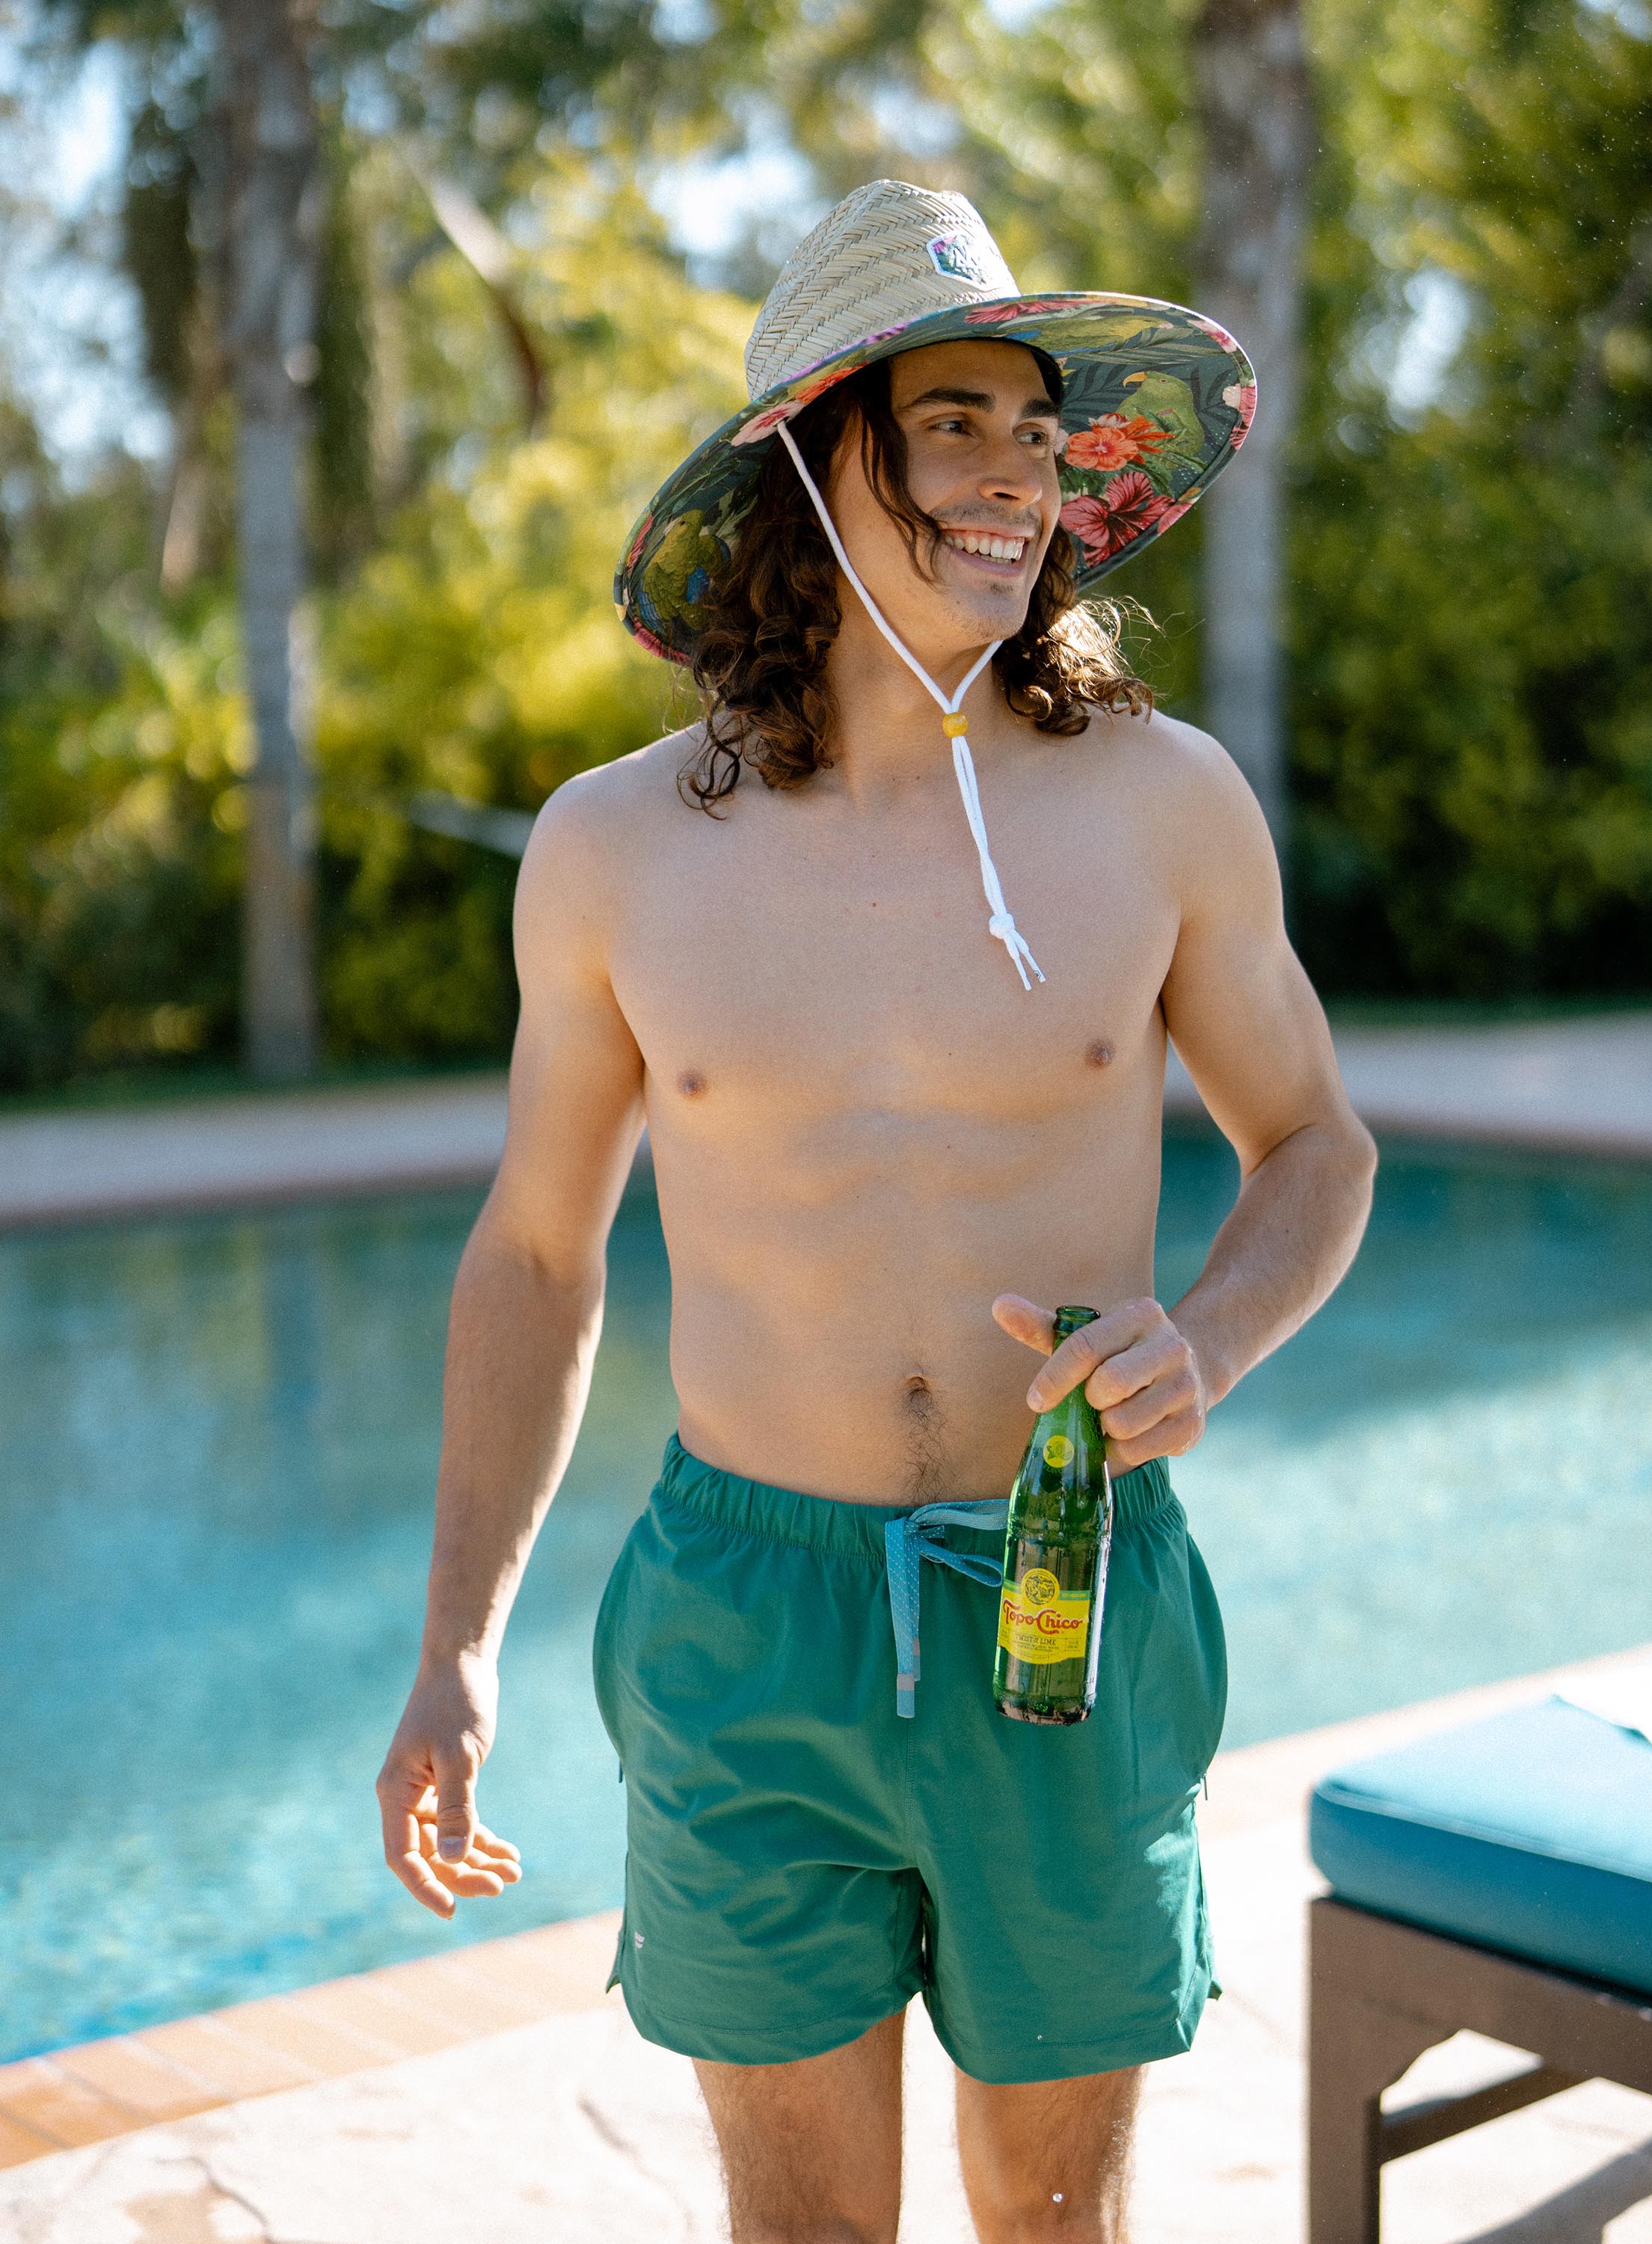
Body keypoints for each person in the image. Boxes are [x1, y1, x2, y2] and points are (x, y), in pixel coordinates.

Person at [378, 179, 1376, 2244]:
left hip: (1063, 1592)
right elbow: (541, 1251)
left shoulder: (1165, 804)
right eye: (955, 424)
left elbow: (1319, 1147)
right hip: (747, 1615)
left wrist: (1211, 1334)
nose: (1020, 477)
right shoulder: (617, 855)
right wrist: (455, 1645)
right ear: (815, 471)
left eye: (1040, 426)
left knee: (1050, 2222)